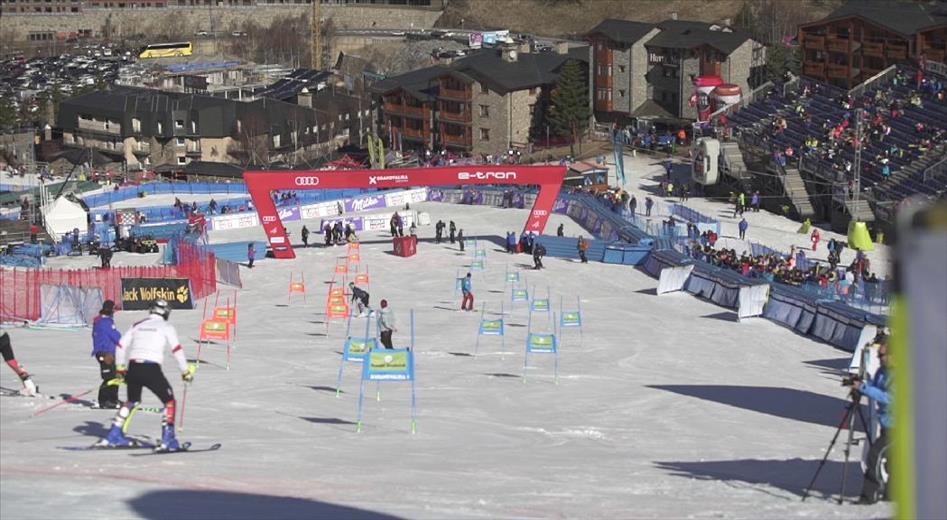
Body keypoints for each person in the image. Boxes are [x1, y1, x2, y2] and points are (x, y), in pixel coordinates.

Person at [102, 300, 196, 450]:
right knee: (169, 401)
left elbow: (120, 346)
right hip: (151, 368)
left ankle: (114, 434)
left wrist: (120, 368)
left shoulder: (138, 324)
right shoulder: (166, 327)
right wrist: (185, 371)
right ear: (165, 312)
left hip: (133, 367)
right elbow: (176, 349)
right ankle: (168, 439)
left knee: (132, 401)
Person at [850, 340, 892, 504]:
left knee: (874, 456)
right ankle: (892, 493)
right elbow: (874, 387)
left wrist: (864, 388)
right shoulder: (882, 371)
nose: (879, 358)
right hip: (887, 424)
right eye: (878, 355)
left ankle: (869, 495)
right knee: (893, 459)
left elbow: (890, 398)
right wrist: (859, 386)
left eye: (882, 355)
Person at [91, 300, 122, 409]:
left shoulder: (101, 321)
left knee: (114, 376)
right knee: (110, 377)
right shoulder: (105, 322)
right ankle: (105, 400)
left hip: (106, 353)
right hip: (105, 354)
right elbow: (115, 336)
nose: (114, 311)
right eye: (113, 309)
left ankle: (112, 399)